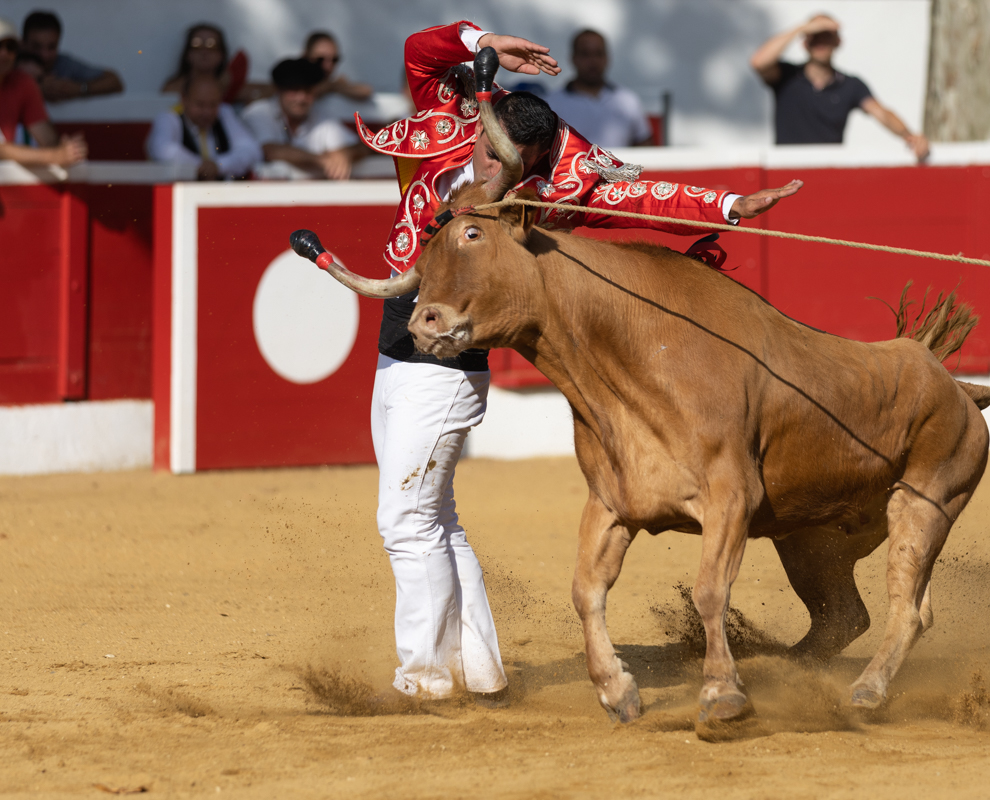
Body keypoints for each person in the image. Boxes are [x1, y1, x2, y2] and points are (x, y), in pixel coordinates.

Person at [354, 20, 800, 704]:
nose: (480, 168)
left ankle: (425, 674)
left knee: (405, 520)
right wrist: (486, 40)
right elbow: (418, 48)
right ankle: (479, 668)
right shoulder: (452, 110)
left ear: (531, 159)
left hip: (450, 349)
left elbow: (647, 195)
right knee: (434, 516)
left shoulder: (571, 181)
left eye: (498, 162)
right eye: (480, 147)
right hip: (399, 334)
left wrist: (730, 206)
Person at [751, 14, 929, 160]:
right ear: (805, 43)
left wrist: (910, 136)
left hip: (828, 172)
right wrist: (802, 28)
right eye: (815, 37)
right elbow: (758, 62)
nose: (821, 43)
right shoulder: (786, 76)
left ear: (837, 42)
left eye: (826, 37)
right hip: (785, 171)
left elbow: (880, 112)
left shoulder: (850, 84)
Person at [241, 58, 365, 180]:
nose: (301, 98)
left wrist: (345, 154)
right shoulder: (258, 112)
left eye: (308, 90)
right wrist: (322, 160)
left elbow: (362, 145)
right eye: (294, 89)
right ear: (279, 90)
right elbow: (269, 150)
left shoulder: (319, 115)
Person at [0, 16, 86, 167]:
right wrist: (55, 155)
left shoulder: (22, 82)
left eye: (10, 47)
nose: (4, 53)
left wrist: (69, 149)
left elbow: (48, 140)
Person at [546, 29, 653, 147]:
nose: (593, 61)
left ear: (607, 58)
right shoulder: (552, 104)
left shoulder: (628, 101)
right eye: (585, 54)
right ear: (573, 58)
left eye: (598, 53)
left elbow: (646, 149)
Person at [145, 75, 261, 180]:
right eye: (200, 105)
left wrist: (219, 165)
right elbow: (162, 150)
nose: (207, 112)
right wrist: (201, 166)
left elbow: (251, 150)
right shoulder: (169, 118)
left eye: (213, 105)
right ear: (184, 100)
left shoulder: (224, 113)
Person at [21, 10, 122, 102]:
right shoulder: (11, 63)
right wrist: (37, 89)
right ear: (23, 44)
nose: (44, 55)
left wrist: (79, 89)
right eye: (36, 46)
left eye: (51, 47)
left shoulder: (64, 64)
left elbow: (114, 81)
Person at [161, 23, 271, 105]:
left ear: (221, 55)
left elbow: (272, 89)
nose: (204, 52)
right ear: (187, 54)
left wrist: (251, 100)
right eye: (197, 46)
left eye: (211, 46)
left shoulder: (226, 84)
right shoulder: (174, 88)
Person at [304, 31, 372, 102]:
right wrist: (332, 86)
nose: (328, 66)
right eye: (320, 59)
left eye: (334, 60)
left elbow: (366, 91)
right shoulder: (292, 78)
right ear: (305, 56)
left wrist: (336, 86)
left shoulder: (335, 86)